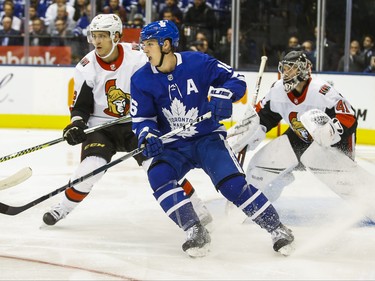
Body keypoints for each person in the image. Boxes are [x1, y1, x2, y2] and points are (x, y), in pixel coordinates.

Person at [130, 20, 294, 258]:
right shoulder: (141, 79)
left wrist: (224, 94)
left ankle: (277, 228)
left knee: (233, 186)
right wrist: (147, 135)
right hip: (172, 145)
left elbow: (236, 80)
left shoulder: (198, 62)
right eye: (143, 44)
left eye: (150, 43)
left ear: (166, 45)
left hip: (206, 138)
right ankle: (195, 230)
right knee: (158, 176)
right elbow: (142, 118)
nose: (144, 49)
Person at [42, 14, 211, 227]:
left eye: (103, 36)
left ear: (116, 36)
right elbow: (81, 106)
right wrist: (76, 124)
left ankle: (196, 206)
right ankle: (62, 208)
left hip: (138, 123)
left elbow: (161, 81)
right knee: (91, 167)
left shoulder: (138, 56)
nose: (97, 41)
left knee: (159, 166)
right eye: (94, 36)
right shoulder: (86, 67)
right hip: (101, 127)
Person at [228, 50, 357, 202]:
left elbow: (349, 116)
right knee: (261, 165)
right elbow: (262, 117)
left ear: (303, 69)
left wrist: (330, 134)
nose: (286, 73)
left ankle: (360, 193)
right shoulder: (277, 90)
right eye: (285, 68)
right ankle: (257, 202)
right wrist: (247, 132)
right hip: (300, 138)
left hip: (329, 144)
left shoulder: (321, 90)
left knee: (344, 181)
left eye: (292, 68)